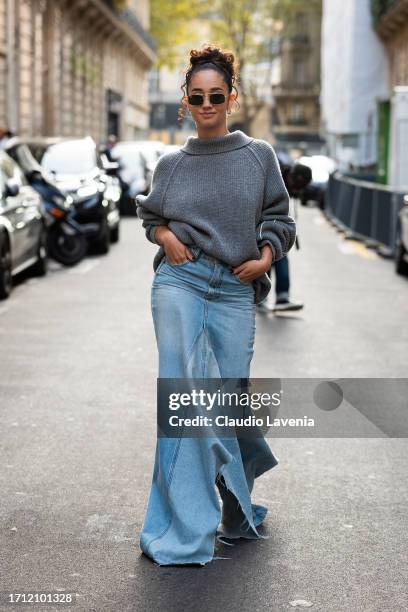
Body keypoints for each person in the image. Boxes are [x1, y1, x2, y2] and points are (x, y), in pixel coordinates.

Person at [136, 44, 297, 566]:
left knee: (229, 399)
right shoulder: (170, 163)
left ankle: (233, 498)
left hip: (233, 288)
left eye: (217, 96)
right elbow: (149, 218)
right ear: (185, 100)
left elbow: (280, 218)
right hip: (180, 283)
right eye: (198, 96)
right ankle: (184, 527)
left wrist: (266, 256)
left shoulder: (258, 157)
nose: (208, 105)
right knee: (185, 403)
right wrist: (164, 235)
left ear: (232, 98)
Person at [257, 159, 312, 313]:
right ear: (291, 176)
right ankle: (262, 297)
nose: (295, 190)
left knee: (279, 256)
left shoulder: (288, 179)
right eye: (294, 186)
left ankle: (280, 297)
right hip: (263, 221)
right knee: (267, 254)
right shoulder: (275, 175)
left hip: (275, 223)